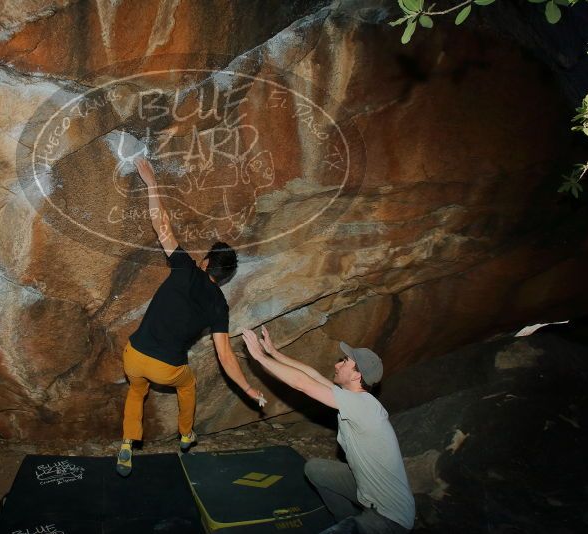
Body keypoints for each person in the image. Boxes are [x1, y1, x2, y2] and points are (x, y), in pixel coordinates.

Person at [116, 157, 266, 477]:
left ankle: (128, 441)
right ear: (223, 277)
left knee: (136, 390)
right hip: (168, 368)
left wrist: (151, 182)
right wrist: (249, 390)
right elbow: (225, 356)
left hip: (134, 354)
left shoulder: (184, 266)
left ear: (206, 262)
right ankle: (186, 435)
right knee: (189, 384)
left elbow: (162, 226)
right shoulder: (219, 306)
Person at [241, 326, 415, 534]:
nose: (337, 364)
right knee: (316, 470)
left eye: (344, 362)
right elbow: (311, 375)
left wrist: (259, 357)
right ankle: (346, 520)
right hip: (364, 487)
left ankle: (352, 527)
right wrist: (273, 352)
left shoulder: (365, 406)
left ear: (356, 376)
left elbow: (303, 384)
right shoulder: (350, 399)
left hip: (390, 516)